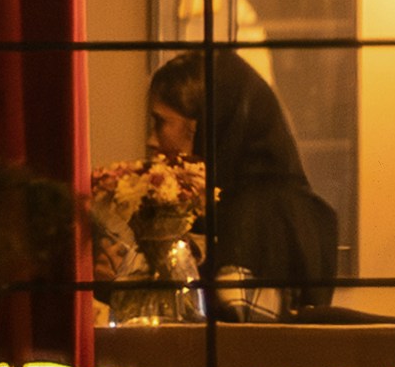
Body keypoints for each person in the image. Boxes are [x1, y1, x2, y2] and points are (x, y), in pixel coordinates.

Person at [144, 43, 338, 315]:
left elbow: (235, 341)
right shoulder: (289, 205)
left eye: (161, 122)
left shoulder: (255, 214)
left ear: (207, 127)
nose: (151, 140)